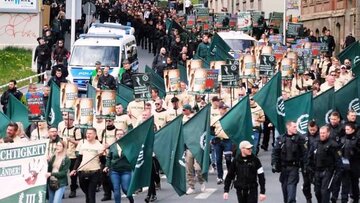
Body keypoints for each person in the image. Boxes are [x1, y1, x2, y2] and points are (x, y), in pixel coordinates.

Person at [271, 121, 306, 203]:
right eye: (294, 126)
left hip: (294, 167)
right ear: (288, 127)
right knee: (285, 189)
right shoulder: (281, 139)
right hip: (283, 168)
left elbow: (305, 153)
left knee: (291, 188)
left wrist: (304, 166)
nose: (296, 128)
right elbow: (275, 152)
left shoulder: (300, 139)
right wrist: (274, 164)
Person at [307, 125, 342, 203]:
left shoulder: (333, 145)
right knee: (317, 192)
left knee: (324, 192)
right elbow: (310, 156)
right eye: (321, 133)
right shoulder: (315, 143)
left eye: (324, 133)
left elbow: (338, 160)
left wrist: (337, 175)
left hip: (328, 171)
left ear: (328, 133)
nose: (322, 135)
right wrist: (309, 168)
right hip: (317, 171)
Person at [70, 128, 105, 203]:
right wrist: (74, 169)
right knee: (87, 194)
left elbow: (103, 161)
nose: (88, 135)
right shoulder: (83, 143)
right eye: (87, 133)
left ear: (95, 135)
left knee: (91, 195)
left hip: (94, 172)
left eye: (90, 133)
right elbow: (79, 159)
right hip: (82, 171)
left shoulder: (99, 145)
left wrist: (102, 154)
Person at [103, 129, 134, 203]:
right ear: (115, 136)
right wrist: (107, 166)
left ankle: (131, 200)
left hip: (126, 170)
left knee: (125, 188)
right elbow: (109, 157)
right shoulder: (113, 145)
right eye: (118, 134)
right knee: (116, 189)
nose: (119, 136)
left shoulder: (128, 145)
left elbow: (133, 155)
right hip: (114, 170)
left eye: (121, 134)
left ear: (124, 135)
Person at [339, 122, 360, 203]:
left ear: (353, 130)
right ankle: (344, 200)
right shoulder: (343, 139)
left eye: (348, 129)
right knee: (345, 184)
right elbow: (339, 151)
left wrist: (354, 151)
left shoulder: (357, 139)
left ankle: (356, 199)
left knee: (354, 184)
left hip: (354, 165)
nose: (346, 131)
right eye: (346, 129)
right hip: (345, 165)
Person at [213, 102, 232, 184]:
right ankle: (219, 176)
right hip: (218, 140)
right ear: (219, 109)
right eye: (222, 109)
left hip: (227, 140)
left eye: (225, 109)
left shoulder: (229, 117)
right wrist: (213, 138)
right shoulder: (215, 118)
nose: (224, 110)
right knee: (218, 159)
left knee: (228, 158)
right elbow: (211, 129)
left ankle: (230, 175)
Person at [302, 121, 319, 203]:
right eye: (310, 130)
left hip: (316, 165)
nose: (312, 131)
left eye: (314, 129)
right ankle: (308, 199)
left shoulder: (320, 137)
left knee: (318, 185)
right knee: (306, 185)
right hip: (306, 165)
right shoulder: (304, 137)